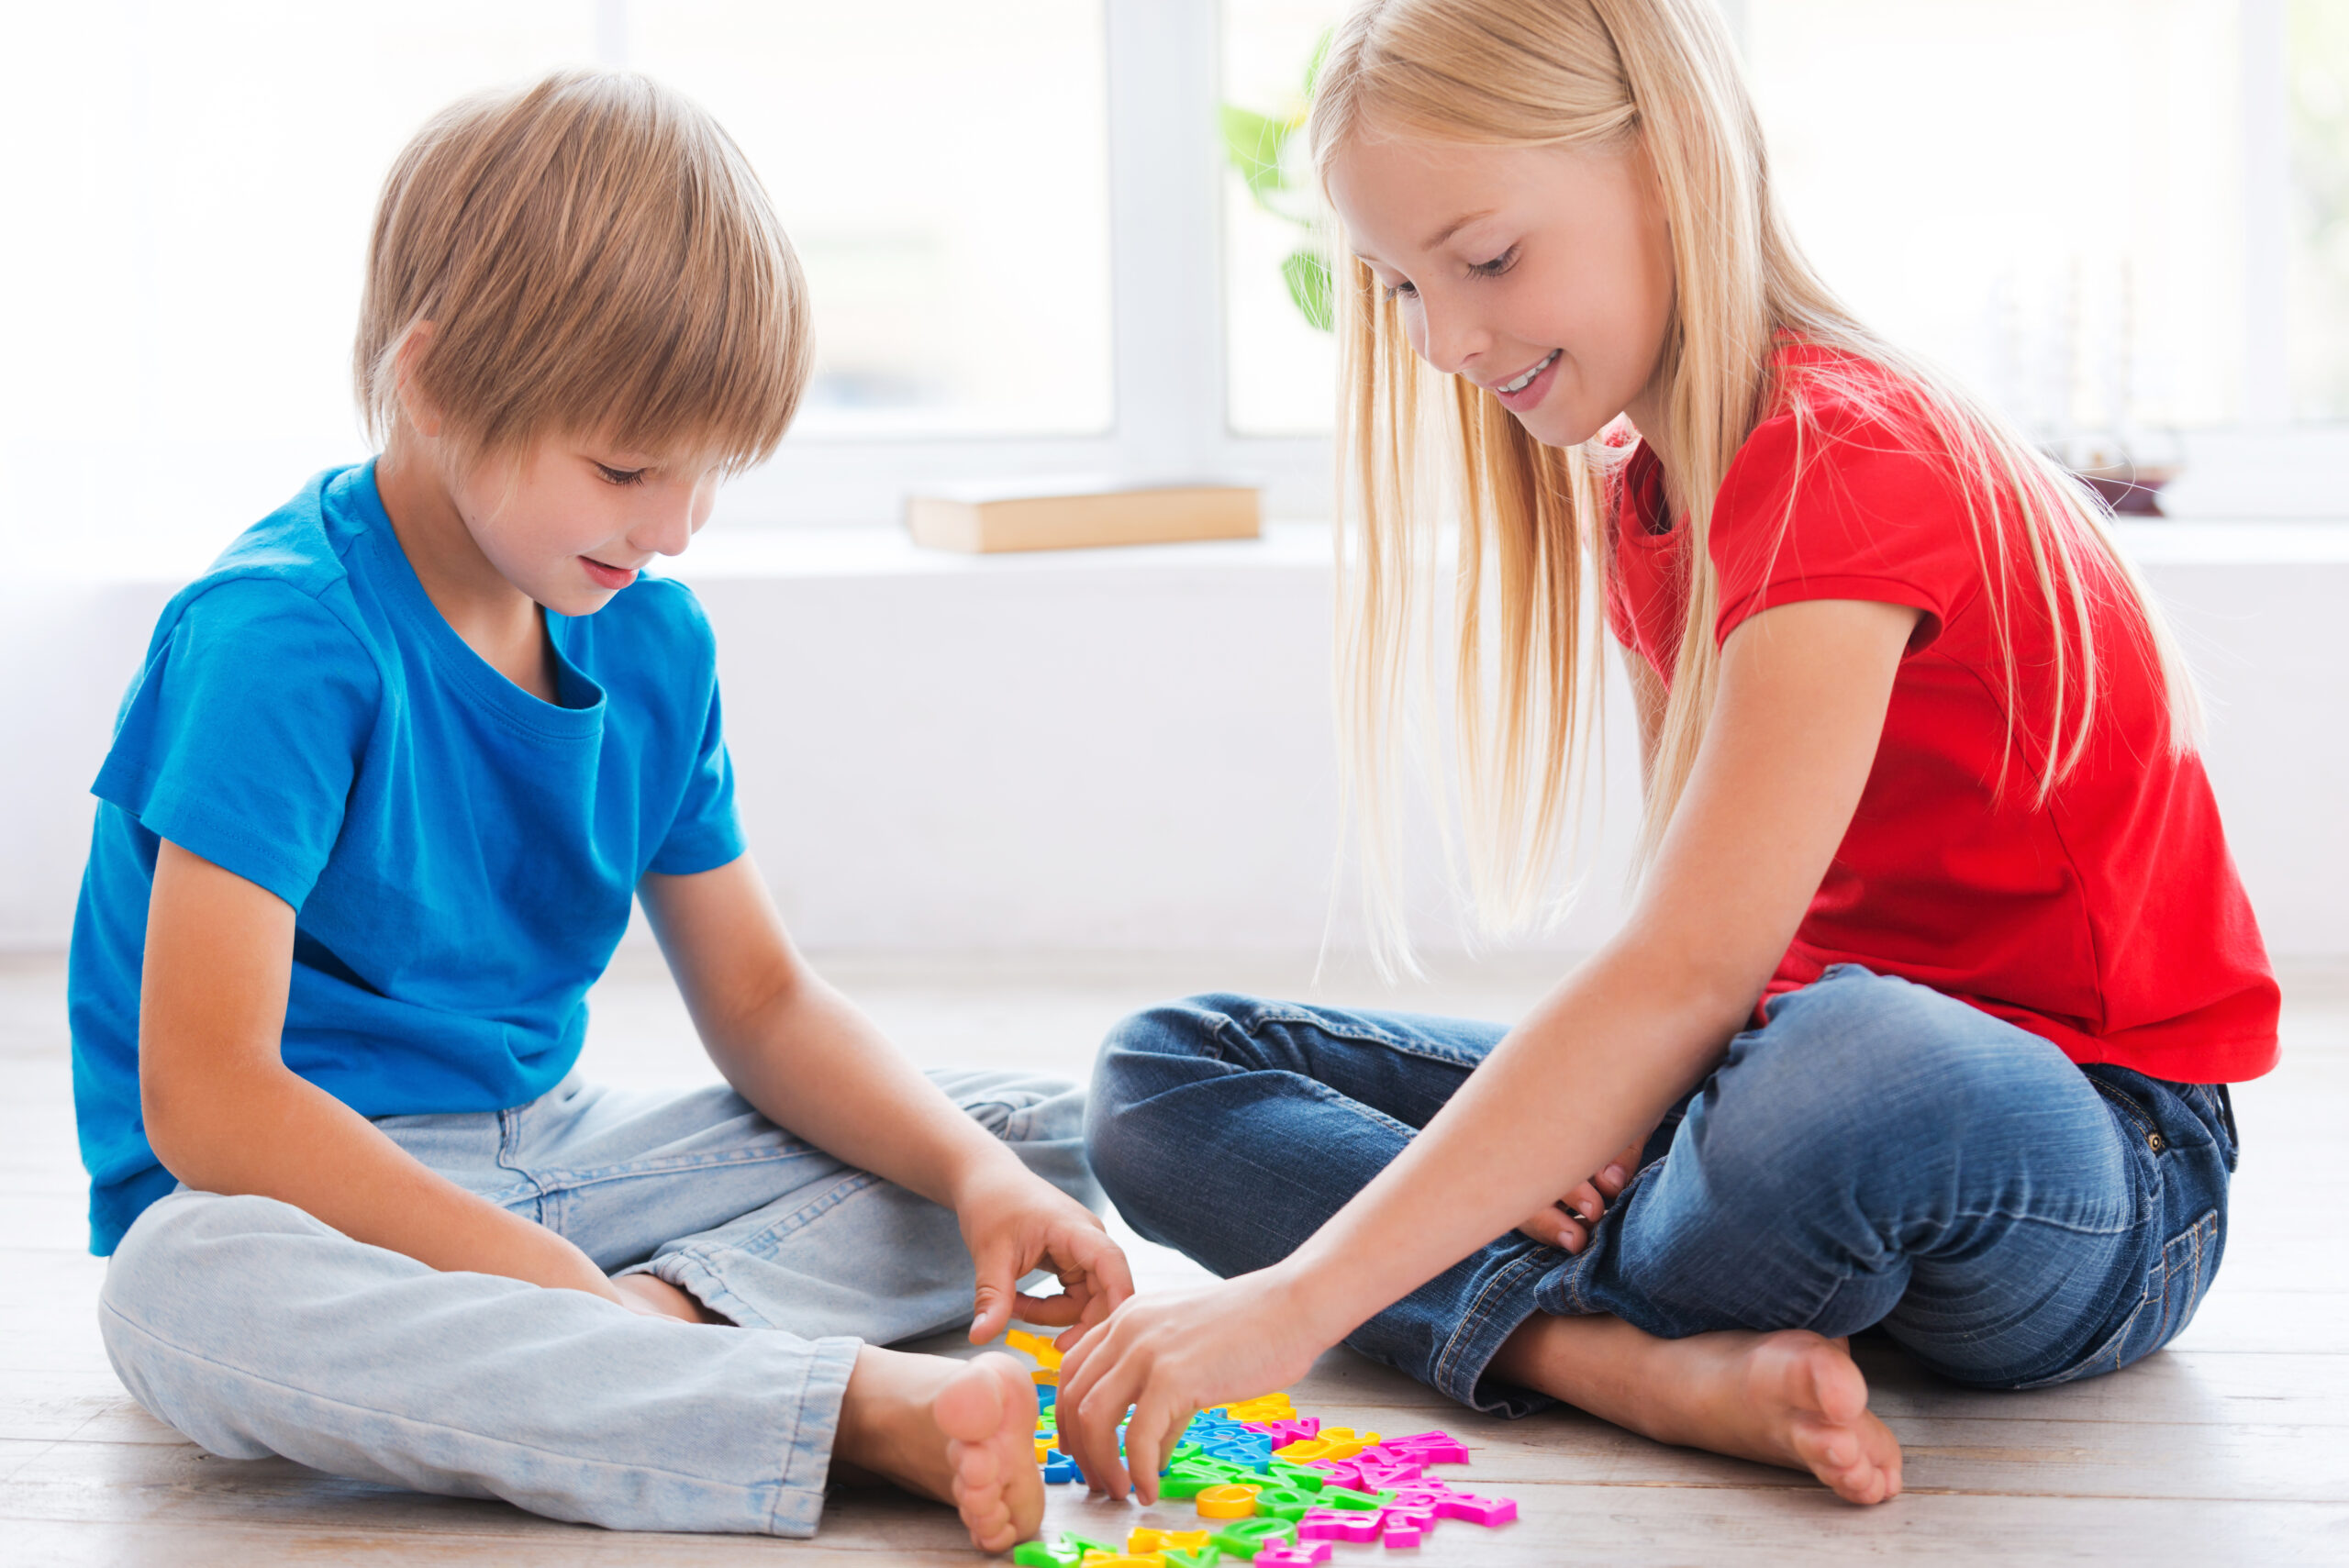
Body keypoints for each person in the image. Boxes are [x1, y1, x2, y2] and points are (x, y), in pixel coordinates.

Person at [1067, 0, 2275, 1509]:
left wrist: (1294, 1300)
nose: (1445, 339)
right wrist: (1625, 1111)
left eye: (1488, 259)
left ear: (1667, 167)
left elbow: (1690, 971)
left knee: (1854, 1063)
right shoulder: (1641, 497)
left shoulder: (1851, 463)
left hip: (2091, 1164)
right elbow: (1694, 972)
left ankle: (1542, 1303)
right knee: (1160, 1071)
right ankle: (1611, 1357)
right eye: (1398, 287)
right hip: (1765, 1083)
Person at [70, 69, 1126, 1550]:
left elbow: (758, 1000)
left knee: (1048, 1132)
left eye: (707, 474)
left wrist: (977, 1173)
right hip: (303, 1196)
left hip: (560, 1160)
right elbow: (209, 1096)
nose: (675, 525)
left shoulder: (650, 634)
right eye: (628, 467)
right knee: (182, 1293)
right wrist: (520, 1269)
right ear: (434, 384)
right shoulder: (280, 640)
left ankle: (658, 1329)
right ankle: (829, 1407)